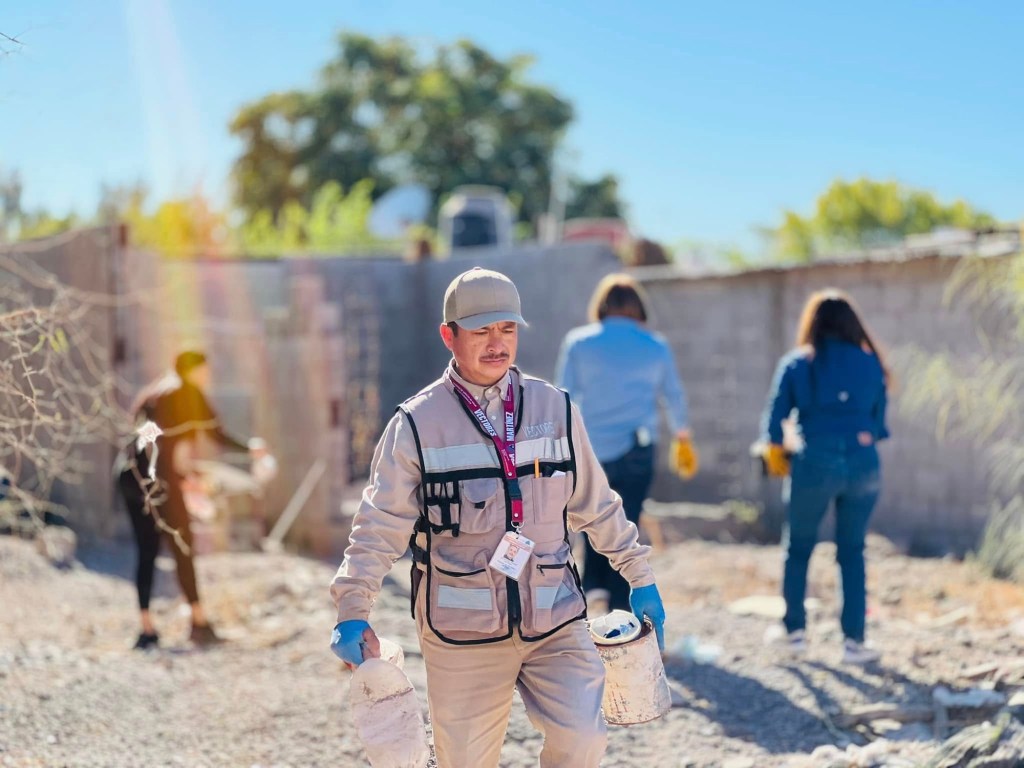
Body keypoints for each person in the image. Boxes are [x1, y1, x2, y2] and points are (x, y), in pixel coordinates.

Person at [329, 267, 666, 768]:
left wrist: (640, 576)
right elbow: (379, 524)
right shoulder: (417, 425)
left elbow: (597, 502)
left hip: (555, 616)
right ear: (450, 335)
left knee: (583, 740)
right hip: (461, 632)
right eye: (481, 330)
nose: (496, 343)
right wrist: (353, 606)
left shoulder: (556, 407)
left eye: (506, 329)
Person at [759, 289, 890, 665]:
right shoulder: (871, 364)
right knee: (852, 551)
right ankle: (854, 643)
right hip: (863, 463)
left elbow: (774, 420)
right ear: (852, 323)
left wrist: (775, 449)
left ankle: (795, 634)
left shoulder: (798, 363)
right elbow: (879, 426)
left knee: (798, 548)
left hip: (813, 461)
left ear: (812, 323)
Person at [555, 273, 694, 612]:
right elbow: (673, 396)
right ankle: (621, 609)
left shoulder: (578, 342)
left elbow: (563, 396)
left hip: (590, 450)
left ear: (601, 306)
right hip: (637, 448)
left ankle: (593, 590)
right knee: (626, 525)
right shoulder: (655, 345)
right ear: (639, 307)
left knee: (589, 520)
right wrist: (683, 436)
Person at [117, 350, 266, 649]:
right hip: (158, 483)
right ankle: (198, 623)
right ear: (194, 370)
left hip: (128, 476)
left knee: (146, 551)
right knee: (183, 547)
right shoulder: (185, 393)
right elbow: (216, 434)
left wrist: (180, 475)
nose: (207, 376)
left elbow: (149, 441)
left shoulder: (154, 394)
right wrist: (249, 448)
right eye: (204, 370)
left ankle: (147, 628)